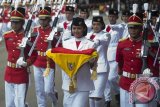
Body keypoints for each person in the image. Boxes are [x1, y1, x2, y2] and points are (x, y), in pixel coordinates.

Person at [47, 17, 97, 107]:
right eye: (74, 28)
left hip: (83, 83)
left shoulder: (91, 44)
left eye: (79, 28)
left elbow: (92, 65)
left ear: (84, 29)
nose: (76, 31)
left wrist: (92, 61)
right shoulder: (66, 43)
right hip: (68, 83)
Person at [116, 13, 159, 107]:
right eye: (130, 27)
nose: (133, 30)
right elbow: (120, 62)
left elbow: (156, 63)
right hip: (125, 82)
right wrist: (119, 75)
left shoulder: (149, 44)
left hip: (142, 83)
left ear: (141, 29)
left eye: (136, 27)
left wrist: (150, 51)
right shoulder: (122, 44)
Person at [3, 7, 37, 107]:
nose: (14, 25)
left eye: (16, 22)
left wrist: (27, 63)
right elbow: (10, 51)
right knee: (9, 104)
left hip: (21, 73)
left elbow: (34, 54)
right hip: (9, 72)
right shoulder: (7, 36)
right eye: (12, 22)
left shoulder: (29, 36)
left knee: (20, 103)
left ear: (22, 22)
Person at [32, 6, 58, 107]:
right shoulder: (35, 30)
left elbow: (59, 47)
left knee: (48, 90)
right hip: (37, 62)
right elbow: (30, 46)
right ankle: (41, 105)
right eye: (40, 19)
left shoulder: (54, 31)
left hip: (49, 63)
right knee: (39, 89)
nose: (42, 21)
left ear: (49, 19)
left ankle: (54, 99)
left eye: (44, 19)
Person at [86, 16, 111, 107]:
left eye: (98, 24)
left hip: (102, 68)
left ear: (102, 25)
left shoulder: (106, 34)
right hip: (90, 68)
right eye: (94, 24)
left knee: (97, 95)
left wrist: (96, 42)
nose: (96, 26)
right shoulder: (88, 35)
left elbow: (104, 40)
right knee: (91, 94)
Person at [104, 8, 123, 107]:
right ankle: (107, 99)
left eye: (113, 16)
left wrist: (112, 28)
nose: (111, 18)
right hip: (105, 55)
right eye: (110, 16)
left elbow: (119, 29)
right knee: (105, 80)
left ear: (117, 17)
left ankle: (118, 92)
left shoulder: (120, 26)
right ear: (108, 17)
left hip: (115, 55)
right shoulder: (105, 27)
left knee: (112, 78)